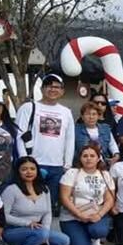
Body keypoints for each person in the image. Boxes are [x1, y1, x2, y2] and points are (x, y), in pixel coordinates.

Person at [15, 74, 75, 209]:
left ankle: (46, 230)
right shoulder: (28, 107)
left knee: (51, 205)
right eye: (49, 86)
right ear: (42, 89)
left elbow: (70, 138)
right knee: (30, 204)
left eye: (57, 87)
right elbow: (19, 135)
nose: (53, 90)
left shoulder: (66, 112)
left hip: (57, 166)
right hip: (34, 164)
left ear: (62, 91)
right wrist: (25, 161)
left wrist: (67, 164)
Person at [0, 157, 69, 245]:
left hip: (38, 229)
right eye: (24, 169)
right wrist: (27, 223)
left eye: (32, 169)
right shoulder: (11, 190)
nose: (29, 172)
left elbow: (47, 212)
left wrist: (46, 230)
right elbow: (3, 216)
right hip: (13, 230)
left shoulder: (44, 188)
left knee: (64, 241)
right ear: (18, 171)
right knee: (41, 234)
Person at [59, 144, 116, 245]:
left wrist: (99, 215)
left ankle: (95, 238)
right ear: (80, 158)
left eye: (92, 156)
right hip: (72, 217)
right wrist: (80, 215)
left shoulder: (105, 175)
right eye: (85, 156)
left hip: (96, 214)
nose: (88, 158)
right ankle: (79, 236)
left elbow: (109, 200)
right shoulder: (72, 173)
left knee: (98, 231)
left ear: (98, 158)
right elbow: (64, 198)